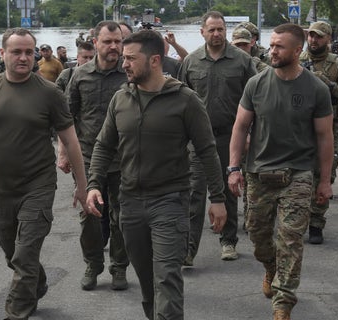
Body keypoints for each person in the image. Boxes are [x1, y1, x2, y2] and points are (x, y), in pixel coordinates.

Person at [0, 27, 88, 320]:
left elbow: (71, 141)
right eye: (16, 52)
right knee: (12, 252)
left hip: (38, 184)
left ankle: (17, 311)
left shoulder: (50, 93)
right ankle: (35, 281)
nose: (24, 58)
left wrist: (82, 185)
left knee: (25, 254)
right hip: (1, 187)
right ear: (3, 53)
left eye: (29, 52)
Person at [86, 29, 227, 320]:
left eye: (130, 59)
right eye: (123, 58)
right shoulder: (121, 99)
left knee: (167, 278)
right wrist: (93, 184)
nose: (123, 64)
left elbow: (207, 150)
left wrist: (218, 198)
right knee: (148, 284)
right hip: (130, 204)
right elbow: (103, 145)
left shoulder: (185, 100)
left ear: (154, 61)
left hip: (170, 202)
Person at [229, 23, 334, 320]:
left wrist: (324, 181)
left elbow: (325, 137)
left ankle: (283, 302)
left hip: (298, 174)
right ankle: (270, 267)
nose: (272, 50)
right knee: (260, 238)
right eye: (271, 45)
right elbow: (240, 127)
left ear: (297, 51)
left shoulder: (316, 89)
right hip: (259, 173)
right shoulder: (257, 84)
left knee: (290, 239)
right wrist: (234, 168)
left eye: (279, 46)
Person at [178, 11, 257, 262]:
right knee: (194, 193)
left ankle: (228, 241)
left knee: (229, 189)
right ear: (202, 32)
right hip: (197, 141)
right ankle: (189, 250)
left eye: (220, 29)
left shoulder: (242, 61)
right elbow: (179, 103)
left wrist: (249, 135)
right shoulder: (191, 62)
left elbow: (256, 99)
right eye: (211, 29)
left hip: (229, 137)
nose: (216, 34)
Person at [60, 20, 130, 291]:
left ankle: (119, 268)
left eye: (118, 41)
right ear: (96, 42)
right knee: (90, 215)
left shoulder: (129, 73)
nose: (114, 46)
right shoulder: (79, 74)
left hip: (124, 159)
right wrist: (63, 152)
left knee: (122, 216)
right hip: (88, 157)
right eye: (108, 41)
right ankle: (93, 264)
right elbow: (67, 117)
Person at [299, 21, 338, 244]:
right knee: (295, 174)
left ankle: (316, 223)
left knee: (324, 176)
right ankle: (295, 219)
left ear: (328, 39)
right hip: (298, 130)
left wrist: (329, 85)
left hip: (329, 130)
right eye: (311, 36)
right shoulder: (298, 59)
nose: (313, 40)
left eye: (319, 37)